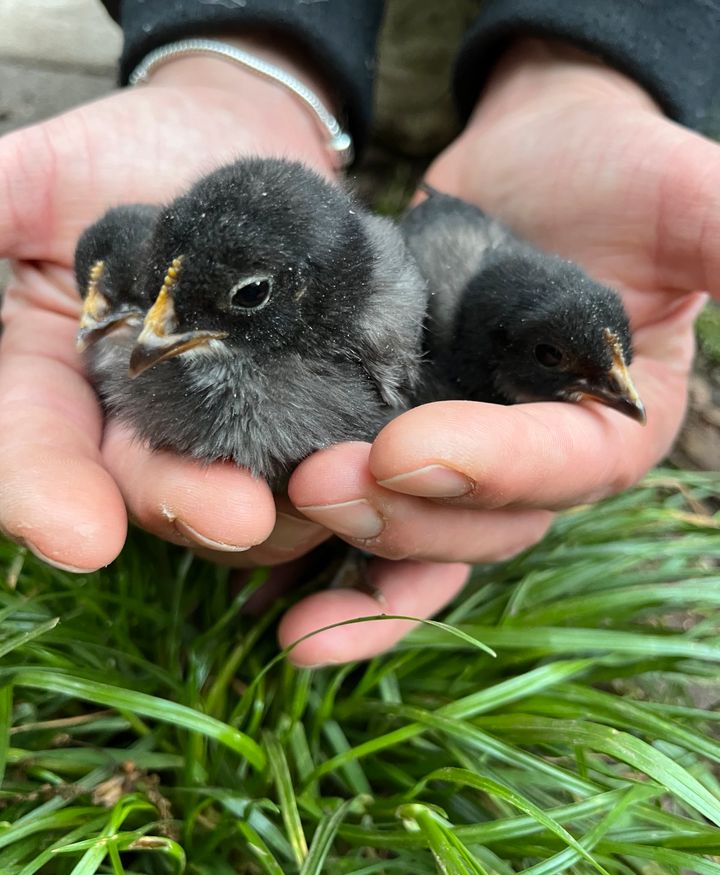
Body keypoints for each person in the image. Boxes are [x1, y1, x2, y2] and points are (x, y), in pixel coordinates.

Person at [0, 1, 716, 665]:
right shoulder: (198, 321)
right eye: (157, 296)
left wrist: (591, 69)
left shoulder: (374, 336)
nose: (151, 336)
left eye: (245, 297)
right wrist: (240, 54)